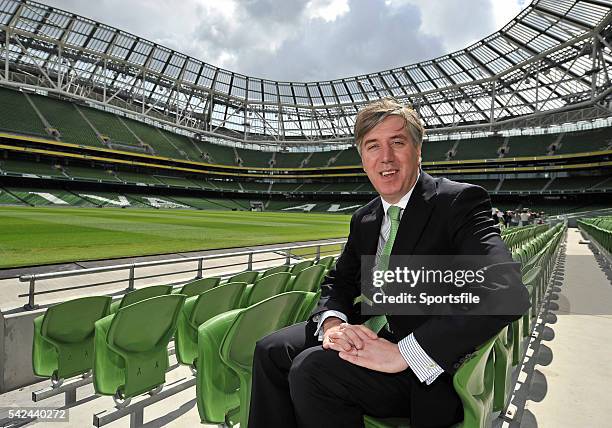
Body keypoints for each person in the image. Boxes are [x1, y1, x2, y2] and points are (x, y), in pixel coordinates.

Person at [248, 98, 529, 428]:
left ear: (418, 150)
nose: (386, 158)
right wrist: (333, 324)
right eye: (373, 146)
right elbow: (339, 281)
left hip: (422, 366)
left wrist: (404, 353)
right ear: (362, 158)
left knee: (311, 369)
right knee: (270, 350)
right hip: (370, 332)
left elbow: (505, 291)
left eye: (398, 142)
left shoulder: (457, 202)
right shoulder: (364, 217)